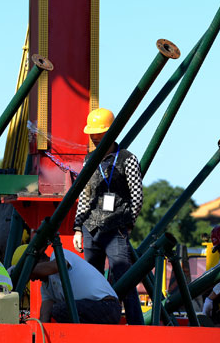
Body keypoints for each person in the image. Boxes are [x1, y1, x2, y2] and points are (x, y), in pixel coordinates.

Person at [72, 107, 145, 324]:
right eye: (92, 133)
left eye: (98, 133)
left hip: (116, 228)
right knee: (90, 280)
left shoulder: (127, 159)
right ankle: (92, 325)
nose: (94, 137)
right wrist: (78, 228)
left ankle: (136, 325)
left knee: (124, 277)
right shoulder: (89, 160)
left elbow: (137, 196)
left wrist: (129, 222)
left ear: (111, 132)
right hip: (90, 228)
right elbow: (85, 196)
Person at [33, 250, 122, 324]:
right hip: (96, 310)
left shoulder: (59, 254)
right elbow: (44, 317)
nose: (32, 279)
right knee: (60, 311)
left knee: (60, 309)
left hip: (108, 306)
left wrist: (31, 271)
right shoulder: (45, 288)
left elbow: (58, 265)